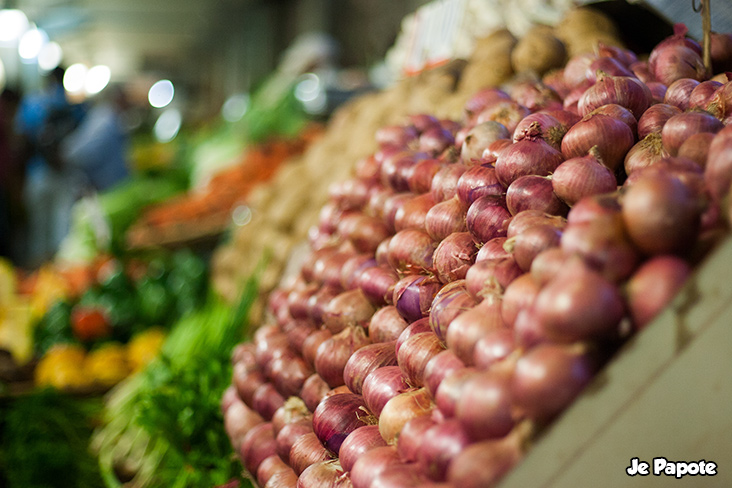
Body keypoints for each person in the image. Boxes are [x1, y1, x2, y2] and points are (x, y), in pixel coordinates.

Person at [14, 67, 86, 268]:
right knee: (61, 230)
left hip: (38, 173)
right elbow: (81, 138)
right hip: (63, 173)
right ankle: (56, 276)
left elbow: (22, 139)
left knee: (38, 229)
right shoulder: (73, 105)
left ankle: (39, 277)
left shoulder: (32, 103)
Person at [60, 83, 131, 193]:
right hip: (108, 186)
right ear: (117, 98)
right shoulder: (104, 122)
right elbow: (82, 153)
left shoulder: (111, 118)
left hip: (116, 184)